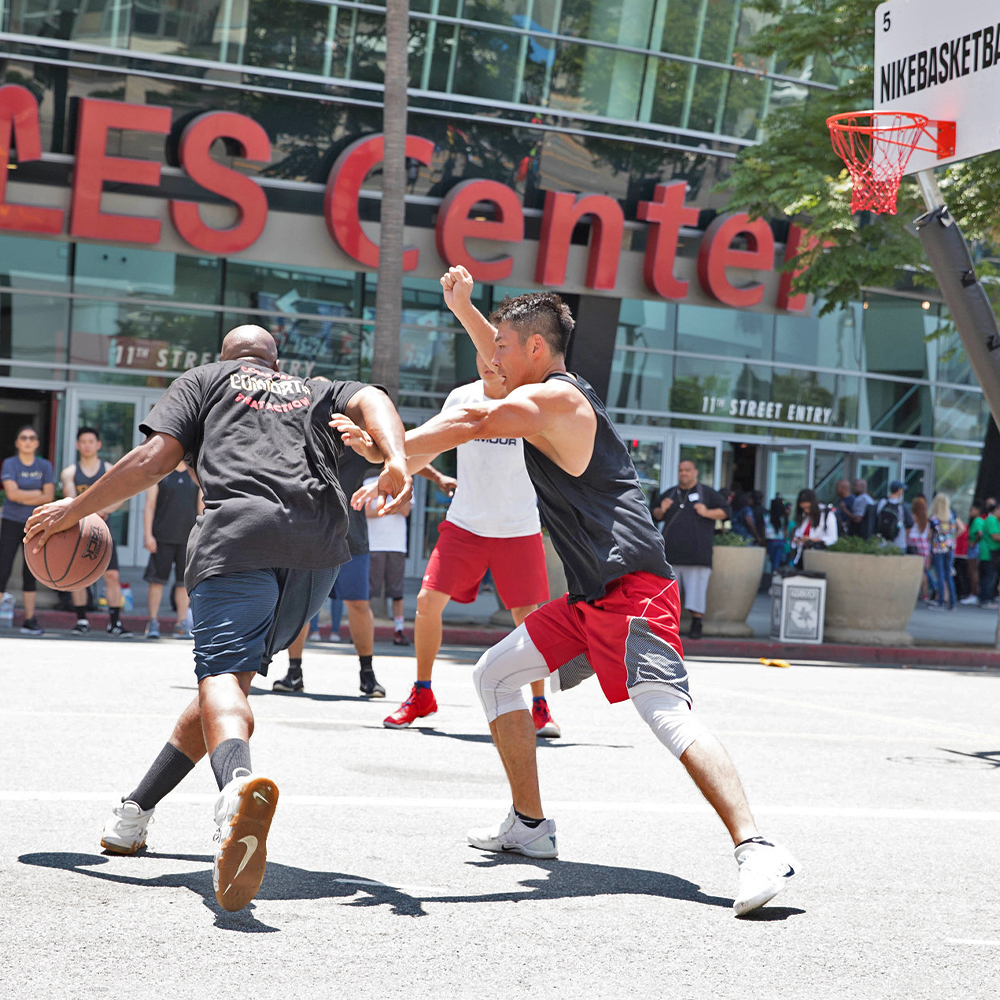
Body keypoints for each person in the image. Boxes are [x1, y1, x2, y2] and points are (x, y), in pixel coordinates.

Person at [376, 265, 795, 917]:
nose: (493, 359)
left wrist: (394, 458)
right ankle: (530, 825)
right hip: (589, 598)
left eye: (504, 350)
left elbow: (471, 419)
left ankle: (757, 846)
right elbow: (496, 371)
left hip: (637, 594)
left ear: (535, 352)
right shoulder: (543, 388)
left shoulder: (557, 402)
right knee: (494, 675)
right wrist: (463, 308)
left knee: (667, 715)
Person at [24, 325, 411, 912]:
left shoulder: (205, 381)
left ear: (225, 358)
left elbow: (155, 458)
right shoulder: (312, 387)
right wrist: (398, 457)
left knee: (221, 681)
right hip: (317, 555)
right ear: (276, 362)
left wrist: (73, 509)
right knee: (230, 685)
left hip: (239, 537)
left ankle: (234, 790)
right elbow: (373, 397)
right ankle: (135, 812)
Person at [380, 352, 559, 736]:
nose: (488, 360)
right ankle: (422, 692)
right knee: (427, 603)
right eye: (480, 351)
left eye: (498, 352)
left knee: (529, 619)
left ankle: (540, 705)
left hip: (518, 526)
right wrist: (391, 471)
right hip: (466, 525)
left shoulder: (530, 399)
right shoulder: (460, 398)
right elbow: (430, 449)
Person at [272, 446, 388, 698]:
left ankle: (367, 674)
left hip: (351, 539)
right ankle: (294, 673)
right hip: (307, 537)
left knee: (358, 605)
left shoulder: (359, 449)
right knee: (298, 604)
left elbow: (401, 454)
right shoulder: (303, 446)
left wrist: (437, 477)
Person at [59, 426, 133, 638]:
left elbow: (119, 498)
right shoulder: (70, 472)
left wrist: (100, 509)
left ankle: (115, 622)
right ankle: (82, 620)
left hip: (104, 530)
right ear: (77, 445)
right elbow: (71, 501)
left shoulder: (108, 468)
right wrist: (90, 513)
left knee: (112, 575)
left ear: (98, 445)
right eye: (83, 441)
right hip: (78, 530)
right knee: (77, 576)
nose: (87, 445)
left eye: (91, 441)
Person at [651, 461, 730, 639]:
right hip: (670, 556)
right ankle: (667, 628)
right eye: (680, 470)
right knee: (668, 597)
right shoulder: (671, 492)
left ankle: (696, 624)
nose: (683, 473)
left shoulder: (707, 493)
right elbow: (654, 513)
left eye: (687, 470)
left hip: (698, 555)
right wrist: (660, 510)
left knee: (697, 593)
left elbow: (726, 512)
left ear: (695, 472)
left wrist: (706, 512)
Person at [0, 424, 54, 635]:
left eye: (32, 438)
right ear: (17, 442)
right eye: (24, 437)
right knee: (3, 568)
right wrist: (36, 493)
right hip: (12, 521)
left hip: (36, 523)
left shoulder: (45, 466)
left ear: (37, 443)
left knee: (31, 572)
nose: (28, 441)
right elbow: (11, 495)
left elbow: (49, 496)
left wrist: (23, 494)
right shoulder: (10, 464)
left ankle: (30, 619)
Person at [142, 460, 202, 639]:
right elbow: (149, 505)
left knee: (183, 583)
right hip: (161, 537)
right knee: (156, 580)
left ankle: (181, 623)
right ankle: (152, 622)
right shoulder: (161, 473)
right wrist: (148, 535)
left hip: (188, 538)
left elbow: (201, 509)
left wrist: (201, 537)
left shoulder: (195, 476)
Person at [365, 475, 411, 644]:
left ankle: (399, 631)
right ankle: (363, 628)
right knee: (368, 592)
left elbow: (406, 511)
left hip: (396, 545)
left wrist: (382, 508)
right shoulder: (369, 483)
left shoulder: (404, 483)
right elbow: (365, 512)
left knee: (397, 593)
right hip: (374, 545)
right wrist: (393, 507)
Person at [927, 493, 962, 611]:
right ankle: (952, 603)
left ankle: (940, 601)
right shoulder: (952, 515)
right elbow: (961, 528)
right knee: (949, 575)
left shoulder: (933, 518)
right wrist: (952, 538)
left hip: (937, 549)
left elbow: (929, 536)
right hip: (949, 548)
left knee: (940, 575)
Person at [790, 489, 838, 565]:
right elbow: (798, 534)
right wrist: (797, 540)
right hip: (801, 557)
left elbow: (832, 538)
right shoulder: (804, 516)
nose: (806, 510)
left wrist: (811, 540)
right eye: (803, 508)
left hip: (819, 557)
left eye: (808, 507)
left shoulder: (827, 514)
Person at [907, 495, 934, 603]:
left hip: (913, 543)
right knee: (923, 570)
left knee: (914, 570)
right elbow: (929, 536)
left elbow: (908, 532)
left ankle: (915, 592)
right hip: (924, 544)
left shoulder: (912, 517)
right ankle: (925, 594)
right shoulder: (927, 519)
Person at [975, 499, 1000, 609]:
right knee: (989, 577)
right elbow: (995, 536)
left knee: (988, 577)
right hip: (989, 553)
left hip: (990, 552)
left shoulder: (992, 520)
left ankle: (984, 599)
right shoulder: (991, 520)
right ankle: (985, 600)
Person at [874, 480, 914, 549]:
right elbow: (909, 524)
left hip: (881, 542)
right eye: (902, 489)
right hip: (899, 543)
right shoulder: (902, 505)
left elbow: (876, 519)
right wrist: (905, 539)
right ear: (899, 490)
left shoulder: (882, 502)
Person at [959, 501, 981, 605]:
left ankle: (974, 594)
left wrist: (973, 542)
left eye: (972, 510)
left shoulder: (977, 521)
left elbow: (979, 533)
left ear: (977, 510)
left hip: (974, 549)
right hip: (976, 548)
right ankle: (974, 594)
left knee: (972, 572)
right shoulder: (979, 520)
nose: (970, 512)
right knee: (973, 572)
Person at [765, 496, 789, 573]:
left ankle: (773, 576)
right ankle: (775, 576)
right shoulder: (784, 517)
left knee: (772, 561)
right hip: (780, 541)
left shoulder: (767, 516)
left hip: (771, 541)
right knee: (777, 561)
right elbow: (786, 531)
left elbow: (764, 529)